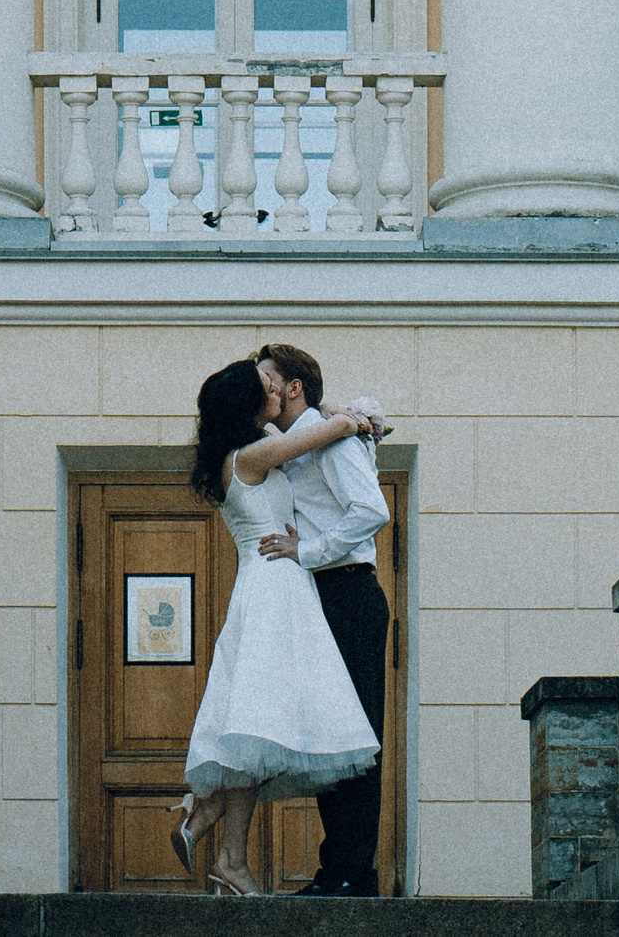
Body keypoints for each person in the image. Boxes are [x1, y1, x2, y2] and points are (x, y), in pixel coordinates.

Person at [170, 357, 380, 896]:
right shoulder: (258, 454)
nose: (273, 395)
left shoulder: (239, 454)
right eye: (264, 388)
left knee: (262, 723)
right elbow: (336, 425)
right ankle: (225, 841)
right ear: (252, 404)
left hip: (281, 590)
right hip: (279, 590)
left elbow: (345, 460)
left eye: (275, 384)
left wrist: (347, 420)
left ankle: (221, 838)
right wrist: (356, 416)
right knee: (271, 721)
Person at [253, 343, 393, 898]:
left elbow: (372, 511)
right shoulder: (297, 442)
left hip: (348, 594)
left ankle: (351, 873)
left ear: (293, 388)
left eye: (266, 379)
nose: (258, 388)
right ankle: (339, 869)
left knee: (357, 736)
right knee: (333, 735)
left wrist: (306, 550)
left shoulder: (334, 438)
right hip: (320, 597)